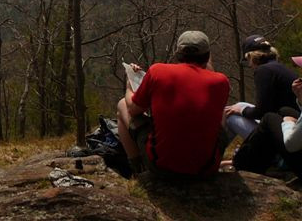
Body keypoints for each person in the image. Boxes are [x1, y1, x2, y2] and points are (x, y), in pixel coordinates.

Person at [116, 30, 230, 178]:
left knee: (122, 105)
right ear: (208, 57)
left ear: (178, 54)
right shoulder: (221, 82)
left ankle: (138, 169)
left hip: (162, 166)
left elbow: (133, 109)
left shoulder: (158, 71)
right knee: (220, 111)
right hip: (205, 168)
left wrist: (129, 86)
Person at [232, 55, 302, 180]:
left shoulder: (264, 71)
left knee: (270, 118)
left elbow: (292, 144)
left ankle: (242, 163)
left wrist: (288, 123)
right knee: (284, 110)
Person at [224, 35, 299, 139]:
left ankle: (216, 152)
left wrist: (241, 111)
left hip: (284, 133)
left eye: (247, 59)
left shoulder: (263, 71)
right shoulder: (277, 67)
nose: (249, 65)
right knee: (239, 104)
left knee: (231, 117)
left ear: (251, 56)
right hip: (291, 121)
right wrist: (240, 108)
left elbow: (261, 111)